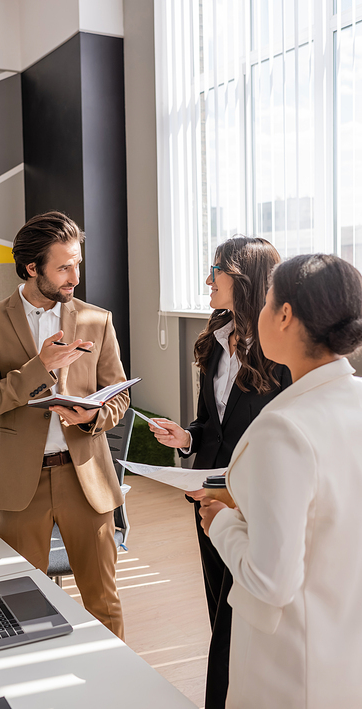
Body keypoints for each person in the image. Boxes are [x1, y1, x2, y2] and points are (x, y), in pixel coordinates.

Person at [200, 253, 362, 709]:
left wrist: (220, 523)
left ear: (285, 315)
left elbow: (270, 580)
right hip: (345, 650)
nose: (262, 311)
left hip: (289, 668)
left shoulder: (285, 428)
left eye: (268, 301)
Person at [0, 211, 128, 639]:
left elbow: (120, 396)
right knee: (22, 604)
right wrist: (40, 367)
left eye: (77, 263)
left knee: (103, 603)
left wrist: (94, 416)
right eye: (63, 267)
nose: (75, 275)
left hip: (86, 479)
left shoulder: (98, 320)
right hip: (22, 483)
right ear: (32, 268)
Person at [150, 236, 291, 709]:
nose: (207, 281)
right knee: (219, 606)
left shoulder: (283, 350)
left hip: (254, 502)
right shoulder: (213, 339)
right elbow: (209, 423)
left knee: (237, 616)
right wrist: (185, 438)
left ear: (244, 279)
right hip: (207, 494)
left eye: (216, 271)